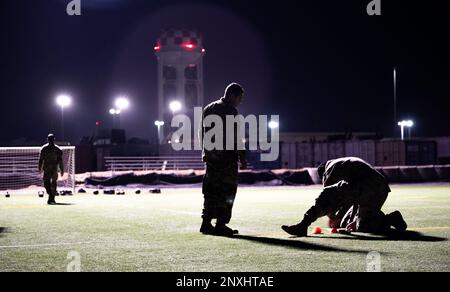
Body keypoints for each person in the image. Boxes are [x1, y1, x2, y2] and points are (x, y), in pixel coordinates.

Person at [282, 157, 407, 236]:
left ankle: (303, 225)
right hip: (381, 188)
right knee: (362, 226)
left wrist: (332, 218)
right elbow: (354, 197)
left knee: (328, 196)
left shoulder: (329, 169)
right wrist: (353, 220)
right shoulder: (344, 164)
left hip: (366, 186)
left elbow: (329, 196)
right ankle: (391, 218)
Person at [200, 83, 248, 236]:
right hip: (226, 159)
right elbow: (236, 137)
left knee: (211, 190)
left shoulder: (209, 108)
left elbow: (202, 133)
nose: (240, 101)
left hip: (211, 158)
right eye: (239, 98)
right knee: (228, 191)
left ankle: (206, 223)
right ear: (232, 95)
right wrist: (242, 157)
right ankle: (221, 224)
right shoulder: (231, 111)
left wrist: (205, 153)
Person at [38, 134, 64, 205]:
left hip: (54, 169)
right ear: (48, 140)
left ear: (53, 140)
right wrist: (39, 168)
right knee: (47, 184)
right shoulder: (44, 149)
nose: (51, 141)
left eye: (51, 139)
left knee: (53, 183)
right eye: (50, 139)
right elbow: (41, 159)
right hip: (47, 169)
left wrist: (62, 169)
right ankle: (50, 195)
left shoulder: (58, 149)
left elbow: (60, 160)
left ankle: (52, 198)